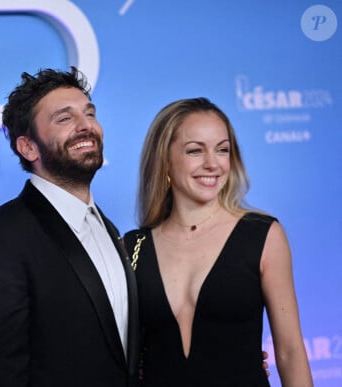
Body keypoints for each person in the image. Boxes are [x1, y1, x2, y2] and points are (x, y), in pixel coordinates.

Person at [0, 67, 139, 387]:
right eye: (64, 119)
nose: (86, 126)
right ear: (28, 147)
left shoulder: (107, 228)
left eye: (89, 114)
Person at [123, 97, 313, 386]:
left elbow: (289, 352)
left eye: (222, 150)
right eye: (195, 151)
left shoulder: (262, 235)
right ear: (164, 160)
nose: (212, 164)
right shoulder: (133, 247)